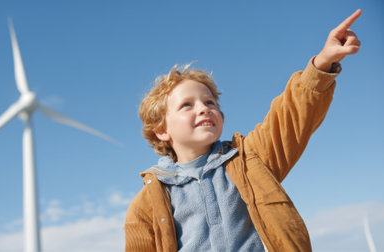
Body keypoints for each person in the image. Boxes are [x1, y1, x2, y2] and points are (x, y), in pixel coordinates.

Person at [125, 9, 362, 252]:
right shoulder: (146, 204)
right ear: (162, 131)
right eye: (187, 105)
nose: (204, 109)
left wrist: (322, 62)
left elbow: (290, 117)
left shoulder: (251, 158)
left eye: (210, 103)